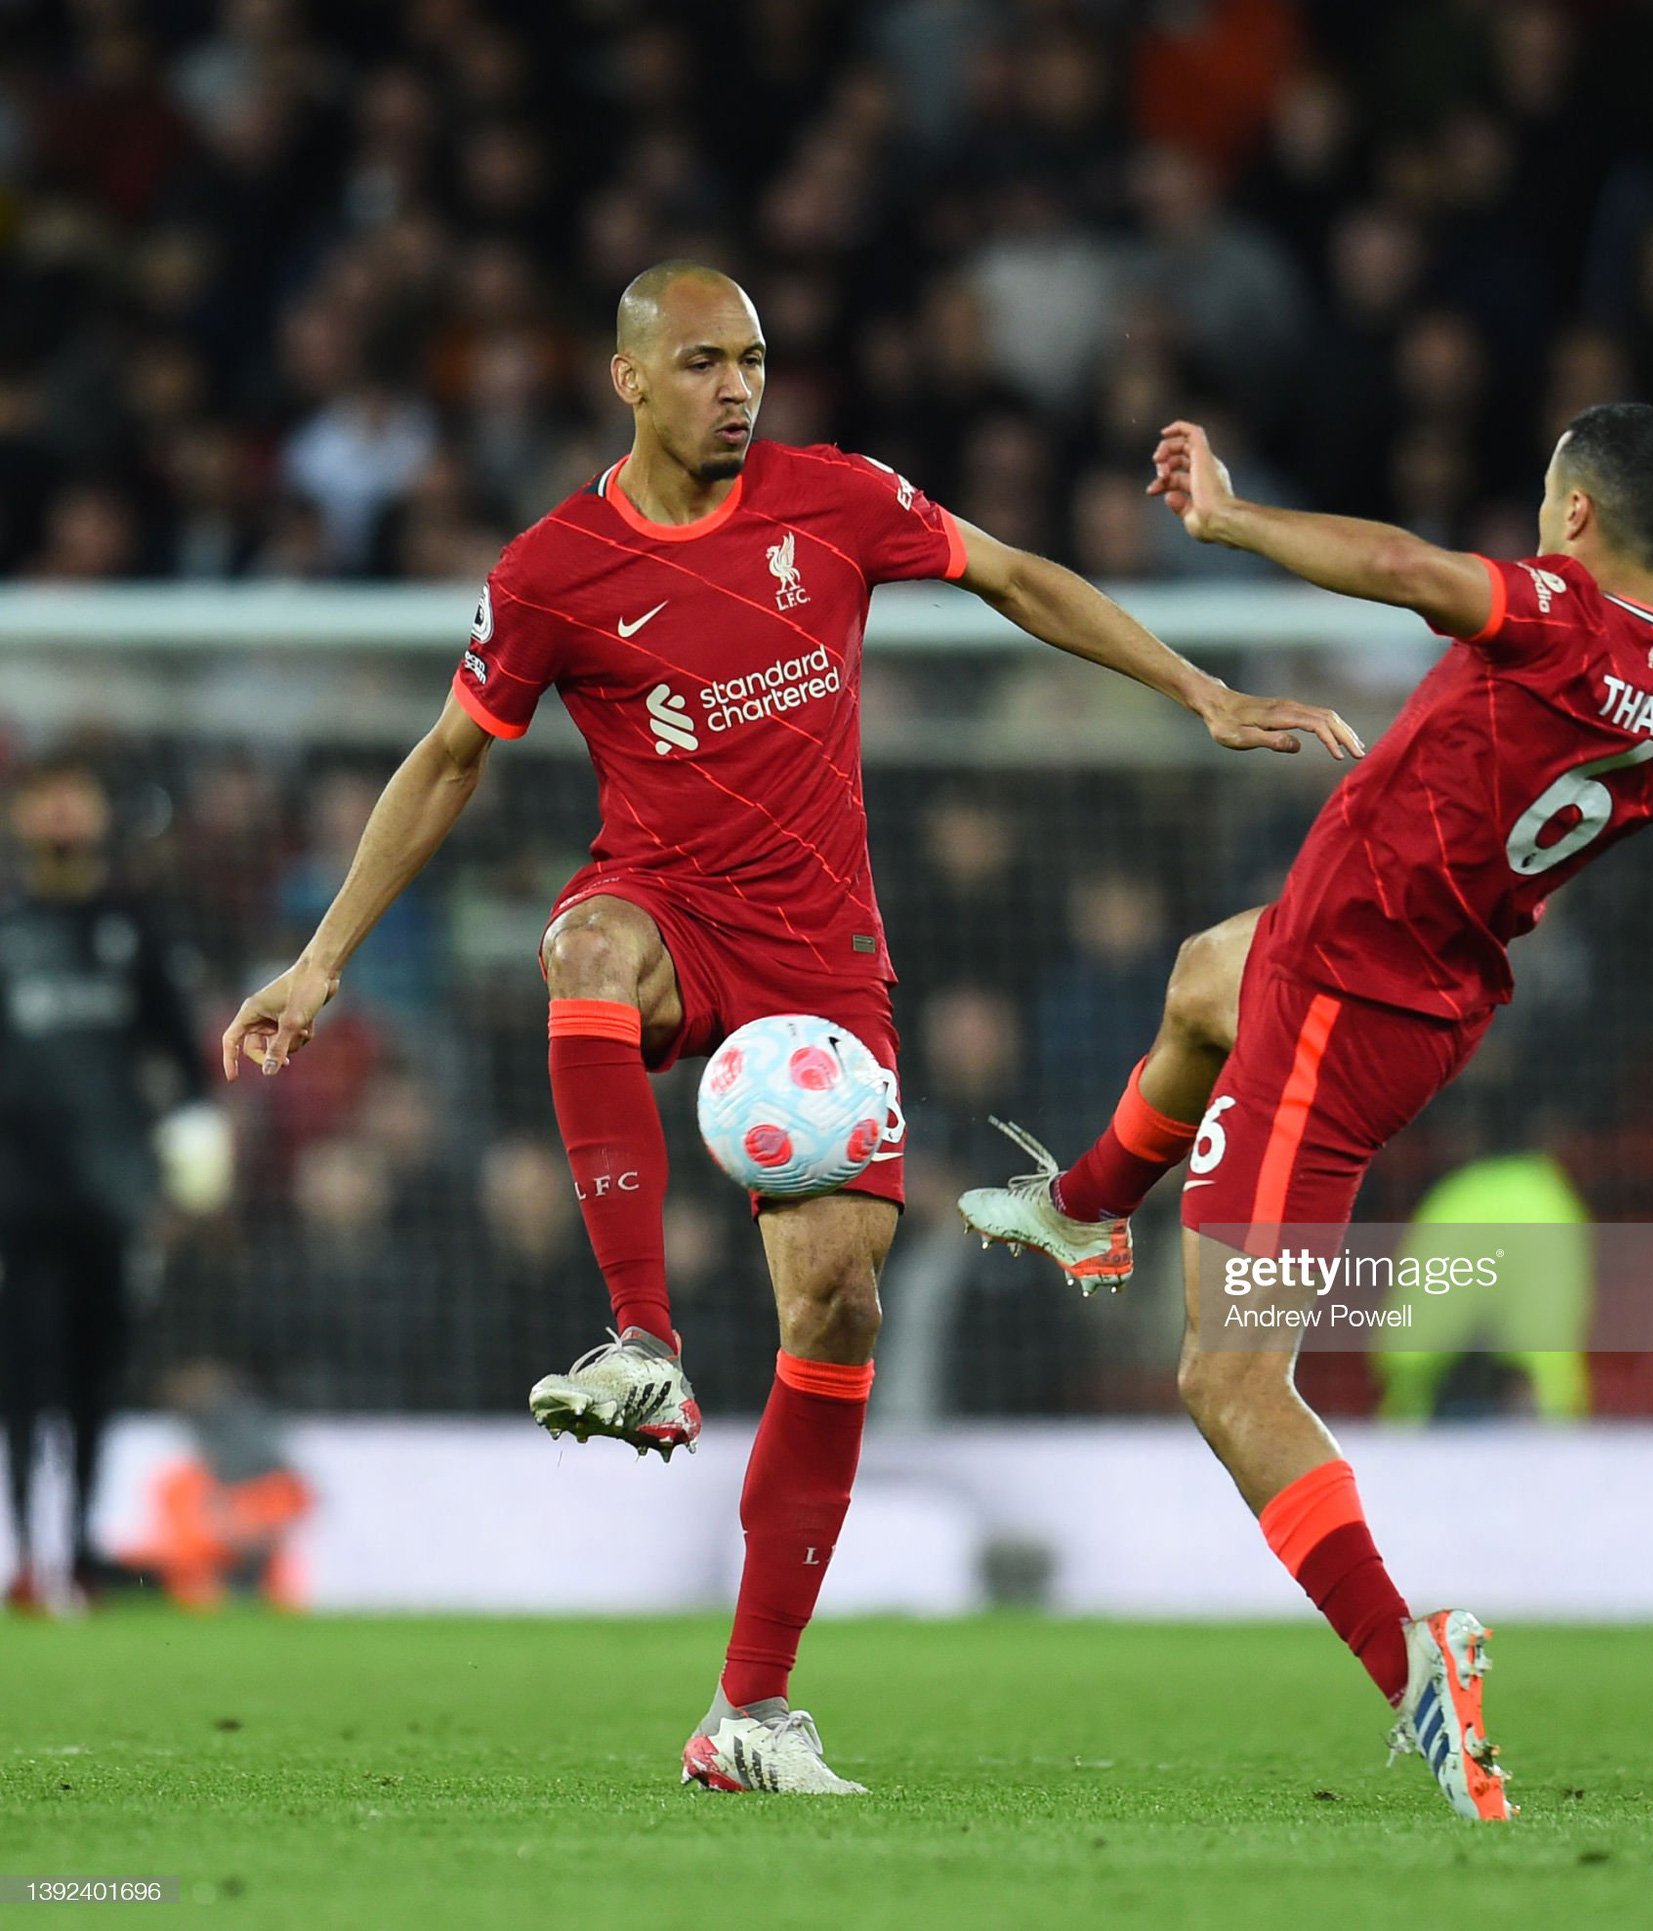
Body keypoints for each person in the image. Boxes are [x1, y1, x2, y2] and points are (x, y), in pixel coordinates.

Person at [220, 262, 1354, 1794]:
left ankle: (748, 1711)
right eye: (702, 362)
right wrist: (320, 960)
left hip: (824, 965)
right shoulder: (554, 568)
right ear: (627, 377)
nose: (737, 387)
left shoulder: (833, 501)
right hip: (672, 911)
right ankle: (641, 1339)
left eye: (753, 358)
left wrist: (1199, 688)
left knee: (837, 1302)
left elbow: (1018, 575)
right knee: (586, 944)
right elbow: (444, 762)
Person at [960, 403, 1653, 1821]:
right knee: (1196, 980)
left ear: (1579, 513)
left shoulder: (1551, 612)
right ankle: (1088, 1208)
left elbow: (1410, 568)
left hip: (1339, 1000)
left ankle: (1411, 1658)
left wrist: (1228, 523)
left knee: (1226, 1384)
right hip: (1414, 983)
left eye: (1547, 495)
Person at [1, 755, 211, 1611]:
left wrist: (198, 1133)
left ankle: (80, 1550)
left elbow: (182, 1052)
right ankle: (24, 1554)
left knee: (94, 1375)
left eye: (73, 796)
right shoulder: (5, 925)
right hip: (14, 1196)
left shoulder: (137, 927)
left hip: (112, 1193)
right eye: (44, 799)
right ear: (22, 819)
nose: (59, 815)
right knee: (22, 1372)